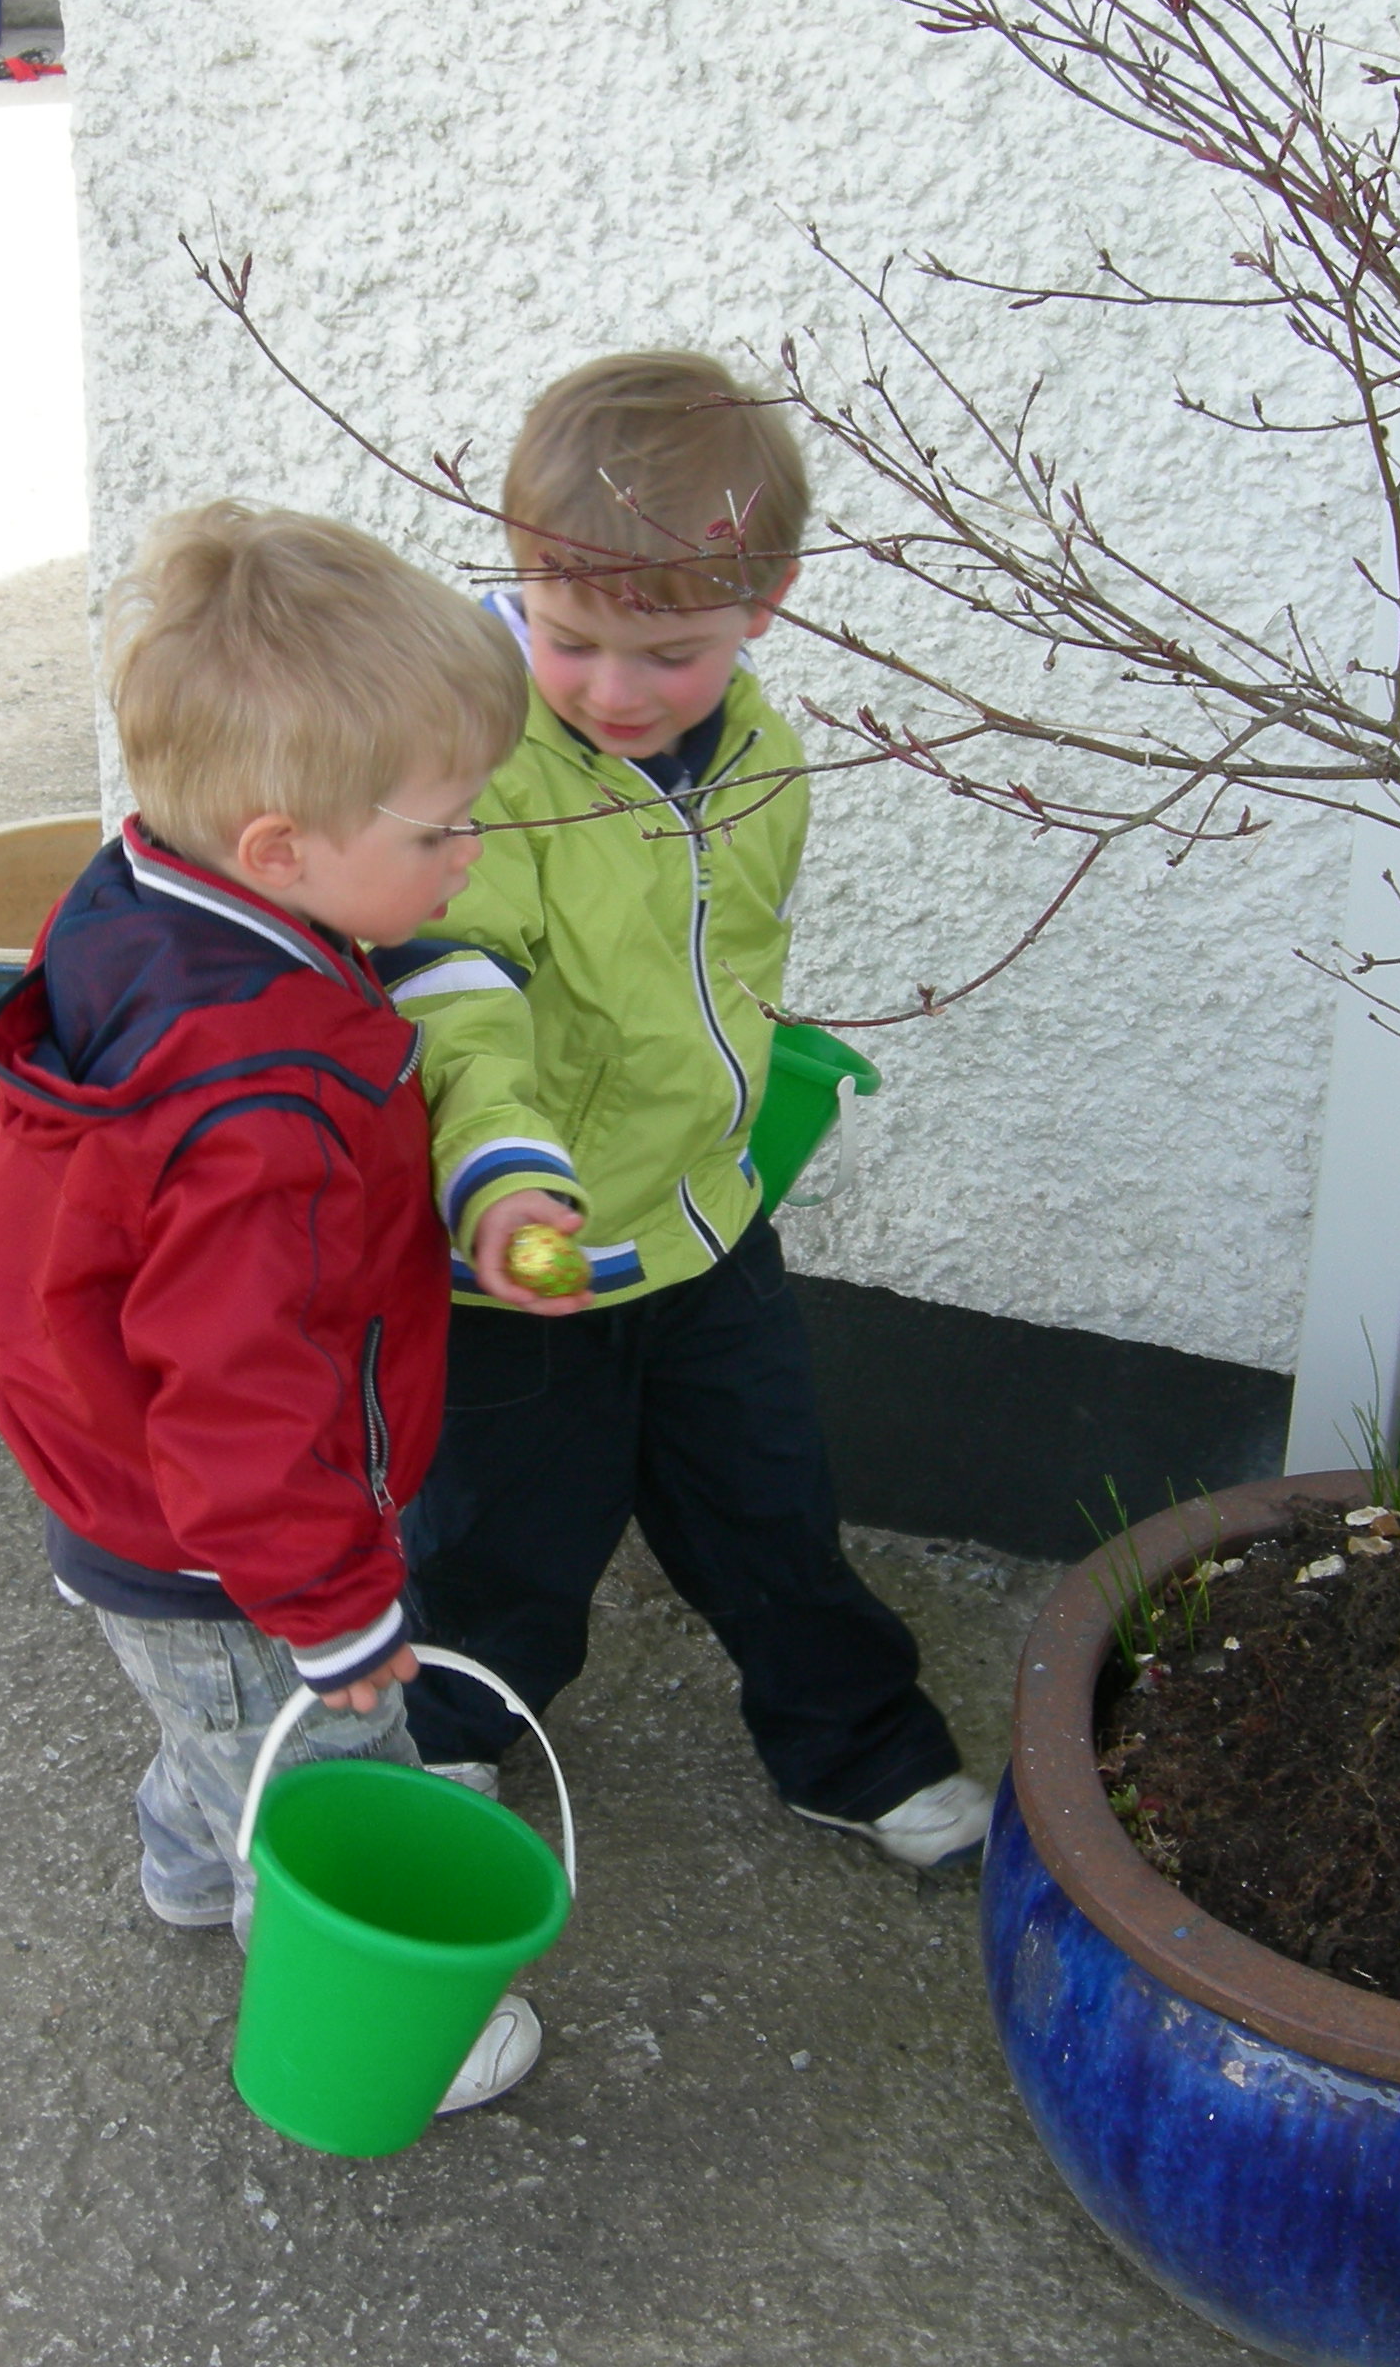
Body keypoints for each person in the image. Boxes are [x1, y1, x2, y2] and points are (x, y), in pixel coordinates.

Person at [379, 352, 994, 1867]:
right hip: (526, 1251)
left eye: (671, 655)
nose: (614, 691)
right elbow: (456, 991)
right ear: (520, 578)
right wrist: (501, 1178)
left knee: (772, 1504)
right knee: (505, 1541)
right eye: (572, 640)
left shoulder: (758, 748)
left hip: (707, 1218)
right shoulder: (480, 763)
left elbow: (721, 956)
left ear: (762, 607)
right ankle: (447, 1733)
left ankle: (856, 1745)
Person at [0, 501, 543, 2108]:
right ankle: (342, 1998)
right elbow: (240, 1397)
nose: (469, 856)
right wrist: (339, 1610)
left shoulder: (151, 888)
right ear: (282, 849)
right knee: (305, 1757)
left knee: (212, 1723)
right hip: (223, 1542)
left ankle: (182, 1850)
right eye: (440, 834)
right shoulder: (256, 1112)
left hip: (126, 1475)